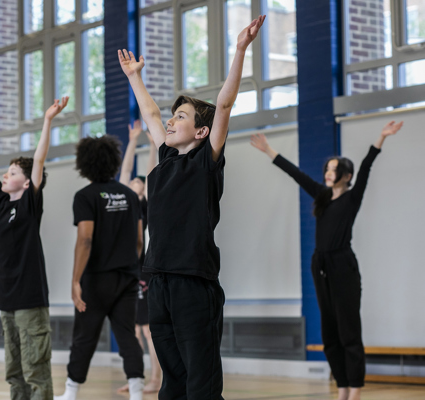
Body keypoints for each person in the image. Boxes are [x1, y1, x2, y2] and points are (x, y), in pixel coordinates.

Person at [118, 15, 266, 400]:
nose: (171, 119)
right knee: (173, 380)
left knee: (201, 382)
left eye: (181, 116)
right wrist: (135, 77)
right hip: (159, 281)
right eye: (174, 114)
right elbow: (151, 114)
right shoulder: (164, 159)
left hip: (193, 283)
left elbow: (224, 104)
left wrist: (239, 50)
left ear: (200, 132)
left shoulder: (206, 161)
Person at [249, 120, 404, 400]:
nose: (329, 173)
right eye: (328, 169)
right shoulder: (321, 196)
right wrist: (269, 150)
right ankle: (342, 387)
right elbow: (296, 174)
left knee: (348, 331)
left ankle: (355, 388)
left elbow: (367, 166)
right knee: (329, 333)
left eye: (335, 169)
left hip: (343, 266)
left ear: (346, 175)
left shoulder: (352, 198)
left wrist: (381, 137)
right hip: (320, 267)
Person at [0, 96, 69, 400]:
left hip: (30, 298)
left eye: (12, 172)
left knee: (35, 367)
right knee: (14, 369)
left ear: (26, 183)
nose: (6, 175)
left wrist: (47, 120)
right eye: (6, 171)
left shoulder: (30, 203)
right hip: (7, 298)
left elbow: (38, 160)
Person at [55, 135, 145, 400]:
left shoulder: (85, 196)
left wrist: (75, 280)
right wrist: (130, 266)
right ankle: (137, 394)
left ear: (85, 164)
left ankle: (70, 393)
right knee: (128, 336)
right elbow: (140, 240)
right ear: (113, 162)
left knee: (84, 337)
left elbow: (85, 239)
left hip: (96, 281)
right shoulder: (130, 195)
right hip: (127, 278)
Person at [118, 121, 161, 394]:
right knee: (133, 330)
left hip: (145, 270)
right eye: (131, 183)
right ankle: (136, 377)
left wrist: (152, 146)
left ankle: (157, 379)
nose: (133, 183)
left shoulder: (144, 204)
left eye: (138, 182)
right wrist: (132, 140)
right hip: (127, 271)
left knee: (148, 331)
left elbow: (149, 171)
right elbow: (124, 172)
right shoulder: (123, 203)